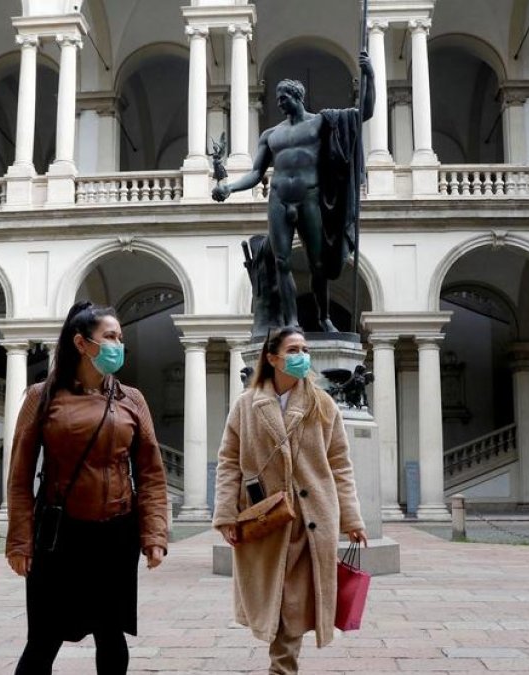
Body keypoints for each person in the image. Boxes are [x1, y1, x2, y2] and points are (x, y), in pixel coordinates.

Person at [5, 301, 168, 675]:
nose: (118, 345)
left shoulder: (132, 399)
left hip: (116, 532)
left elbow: (151, 473)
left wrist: (154, 534)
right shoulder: (40, 398)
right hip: (60, 534)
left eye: (120, 337)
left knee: (111, 634)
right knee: (44, 638)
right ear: (81, 343)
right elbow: (19, 477)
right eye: (109, 336)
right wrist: (19, 540)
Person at [212, 326, 367, 674]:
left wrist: (352, 520)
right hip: (264, 518)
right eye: (293, 349)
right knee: (274, 599)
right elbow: (228, 461)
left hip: (311, 521)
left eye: (305, 349)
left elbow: (340, 463)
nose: (302, 356)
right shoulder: (246, 405)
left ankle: (281, 669)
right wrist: (225, 515)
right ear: (272, 358)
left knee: (293, 603)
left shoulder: (322, 403)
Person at [212, 53, 376, 334]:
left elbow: (364, 113)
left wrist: (369, 76)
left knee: (319, 264)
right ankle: (291, 322)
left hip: (309, 198)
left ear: (296, 96)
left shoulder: (320, 123)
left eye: (283, 97)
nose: (279, 103)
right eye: (277, 98)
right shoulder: (270, 135)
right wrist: (229, 187)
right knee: (281, 261)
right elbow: (255, 174)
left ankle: (324, 317)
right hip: (278, 200)